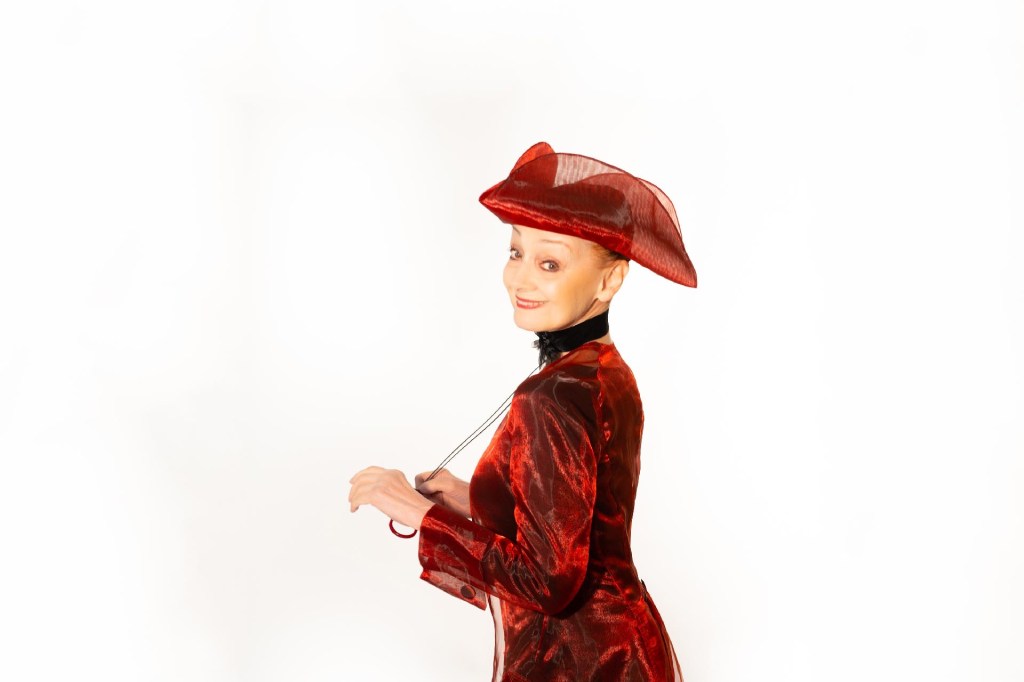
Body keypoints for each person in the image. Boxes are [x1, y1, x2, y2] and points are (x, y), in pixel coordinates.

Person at [348, 141, 696, 681]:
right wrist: (473, 499)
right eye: (516, 252)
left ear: (610, 280)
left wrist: (417, 512)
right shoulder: (604, 369)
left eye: (549, 262)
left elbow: (547, 581)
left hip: (579, 661)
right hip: (620, 646)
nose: (521, 279)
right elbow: (583, 521)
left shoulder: (551, 396)